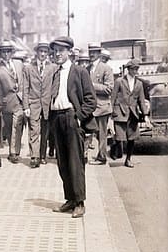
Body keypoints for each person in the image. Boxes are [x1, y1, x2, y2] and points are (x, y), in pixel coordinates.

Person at [49, 36, 97, 219]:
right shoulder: (56, 73)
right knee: (62, 162)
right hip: (57, 118)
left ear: (69, 52)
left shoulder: (79, 72)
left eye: (61, 51)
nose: (57, 54)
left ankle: (80, 202)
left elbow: (91, 101)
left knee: (75, 162)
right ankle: (69, 198)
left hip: (71, 118)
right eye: (55, 51)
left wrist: (78, 117)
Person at [23, 41, 55, 168]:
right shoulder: (28, 68)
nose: (43, 54)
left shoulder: (52, 68)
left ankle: (42, 155)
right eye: (40, 51)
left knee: (45, 131)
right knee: (34, 130)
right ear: (36, 52)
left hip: (47, 105)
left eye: (45, 52)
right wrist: (25, 106)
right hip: (33, 103)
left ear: (48, 53)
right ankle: (34, 157)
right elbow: (25, 88)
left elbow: (54, 87)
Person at [110, 59, 147, 168]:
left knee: (131, 138)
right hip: (120, 111)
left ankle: (128, 159)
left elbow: (141, 99)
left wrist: (145, 115)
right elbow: (113, 97)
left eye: (136, 69)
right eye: (133, 69)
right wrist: (111, 113)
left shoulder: (139, 84)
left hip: (133, 114)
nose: (135, 71)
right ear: (128, 69)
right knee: (119, 137)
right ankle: (114, 148)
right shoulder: (119, 81)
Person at [0, 40, 25, 162]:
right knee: (8, 128)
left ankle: (14, 152)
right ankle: (12, 150)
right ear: (0, 53)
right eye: (3, 52)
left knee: (17, 125)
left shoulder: (19, 64)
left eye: (8, 51)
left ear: (12, 52)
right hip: (6, 102)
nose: (6, 54)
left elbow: (24, 80)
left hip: (20, 100)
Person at [86, 42, 114, 165]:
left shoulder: (105, 68)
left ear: (99, 53)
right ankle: (84, 155)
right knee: (87, 131)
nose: (91, 54)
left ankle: (102, 157)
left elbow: (109, 88)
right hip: (89, 107)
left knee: (102, 134)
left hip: (102, 107)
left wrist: (92, 86)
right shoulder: (87, 69)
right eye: (90, 52)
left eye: (94, 52)